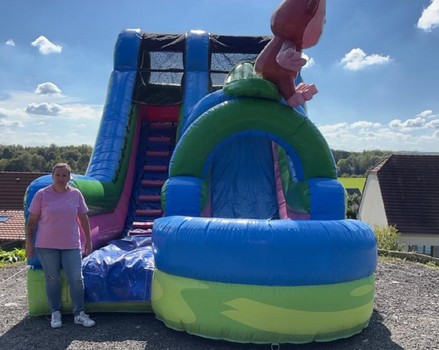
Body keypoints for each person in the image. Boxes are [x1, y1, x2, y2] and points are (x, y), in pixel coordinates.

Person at [25, 163, 96, 328]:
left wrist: (89, 240)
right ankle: (55, 313)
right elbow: (31, 223)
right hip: (46, 246)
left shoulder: (76, 194)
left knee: (77, 279)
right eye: (58, 175)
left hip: (71, 244)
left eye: (64, 175)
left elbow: (84, 219)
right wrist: (29, 243)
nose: (61, 178)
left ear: (69, 177)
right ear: (52, 176)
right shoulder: (42, 195)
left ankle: (79, 313)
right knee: (52, 279)